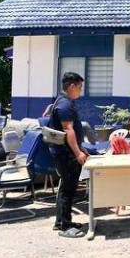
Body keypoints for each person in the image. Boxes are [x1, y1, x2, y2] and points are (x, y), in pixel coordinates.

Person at [49, 72, 88, 238]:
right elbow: (68, 129)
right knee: (68, 189)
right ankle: (65, 226)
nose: (81, 91)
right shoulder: (64, 104)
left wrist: (81, 148)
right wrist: (78, 152)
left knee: (66, 187)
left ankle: (61, 221)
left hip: (65, 152)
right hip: (66, 154)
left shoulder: (61, 101)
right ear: (71, 87)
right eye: (79, 87)